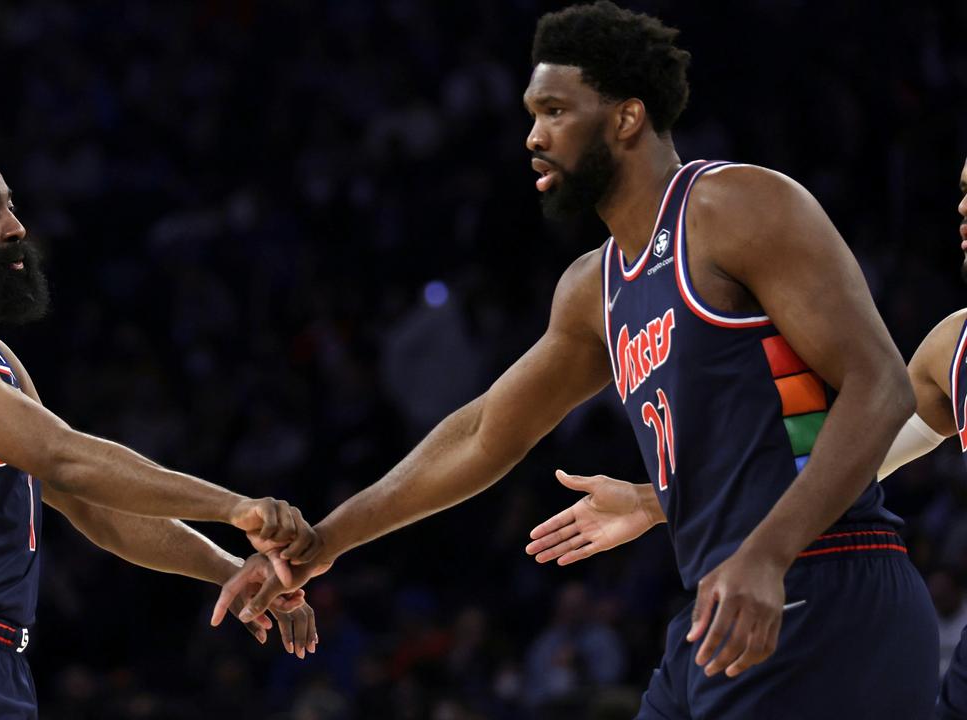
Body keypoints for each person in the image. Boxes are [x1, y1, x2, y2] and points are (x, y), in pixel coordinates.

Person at [217, 3, 938, 717]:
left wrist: (770, 553)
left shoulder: (734, 205)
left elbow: (880, 388)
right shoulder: (594, 289)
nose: (533, 137)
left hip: (825, 581)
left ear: (626, 118)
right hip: (723, 602)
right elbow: (483, 434)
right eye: (532, 115)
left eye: (555, 111)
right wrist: (327, 540)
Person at [0, 149, 318, 719]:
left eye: (11, 207)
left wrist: (230, 570)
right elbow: (64, 458)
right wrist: (237, 507)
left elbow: (94, 503)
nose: (16, 227)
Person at [526, 155, 967, 717]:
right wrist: (658, 499)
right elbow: (845, 458)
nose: (962, 206)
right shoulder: (952, 348)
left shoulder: (736, 214)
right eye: (961, 188)